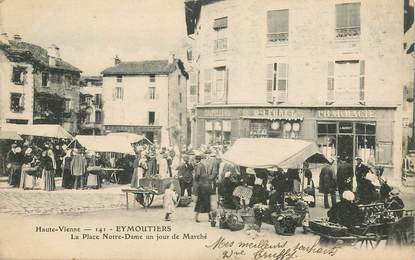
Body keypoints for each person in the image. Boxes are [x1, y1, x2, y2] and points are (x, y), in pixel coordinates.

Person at [194, 155, 211, 223]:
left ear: (197, 160)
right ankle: (210, 217)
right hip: (206, 185)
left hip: (201, 185)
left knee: (199, 202)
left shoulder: (198, 166)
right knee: (207, 202)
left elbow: (197, 175)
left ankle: (196, 217)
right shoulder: (203, 165)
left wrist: (196, 180)